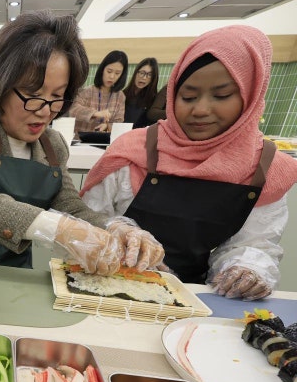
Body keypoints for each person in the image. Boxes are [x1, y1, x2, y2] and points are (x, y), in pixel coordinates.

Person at [0, 11, 163, 272]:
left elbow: (71, 206)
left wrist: (114, 227)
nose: (45, 110)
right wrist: (59, 228)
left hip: (13, 274)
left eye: (57, 96)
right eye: (33, 94)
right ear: (1, 84)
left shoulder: (53, 144)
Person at [81, 25, 297, 300]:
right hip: (112, 286)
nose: (201, 110)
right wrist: (120, 244)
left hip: (196, 296)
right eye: (188, 97)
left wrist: (246, 269)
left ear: (252, 94)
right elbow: (86, 222)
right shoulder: (134, 150)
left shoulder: (265, 168)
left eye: (221, 96)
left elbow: (256, 244)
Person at [68, 50, 128, 134]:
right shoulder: (87, 91)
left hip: (103, 142)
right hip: (80, 140)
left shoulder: (120, 96)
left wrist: (107, 126)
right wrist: (95, 113)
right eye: (109, 71)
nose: (112, 76)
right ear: (102, 70)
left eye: (117, 73)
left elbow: (119, 121)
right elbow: (73, 110)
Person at [123, 57, 159, 128]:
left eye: (149, 75)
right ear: (136, 72)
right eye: (142, 73)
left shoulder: (153, 101)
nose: (144, 77)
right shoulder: (122, 95)